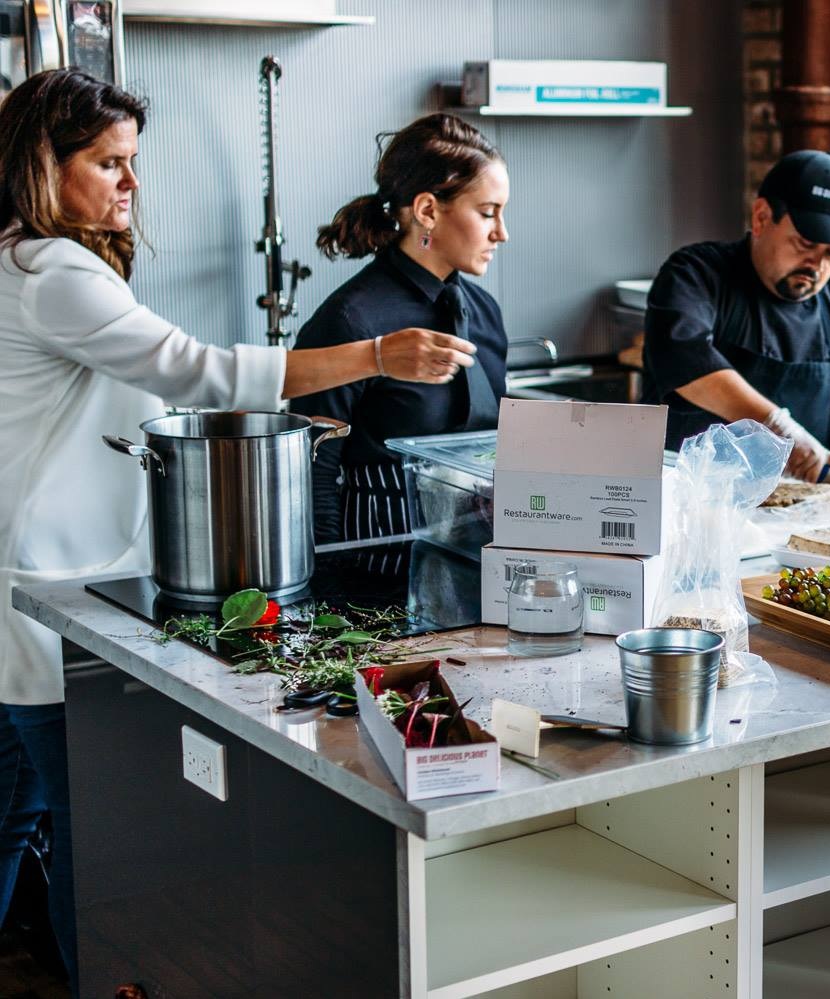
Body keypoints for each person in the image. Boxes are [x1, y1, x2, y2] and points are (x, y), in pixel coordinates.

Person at [0, 70, 475, 989]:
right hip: (41, 589)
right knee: (86, 834)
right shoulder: (50, 271)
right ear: (41, 168)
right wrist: (377, 356)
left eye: (133, 162)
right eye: (109, 163)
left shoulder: (17, 256)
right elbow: (196, 371)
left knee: (17, 814)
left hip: (29, 578)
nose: (130, 184)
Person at [291, 114, 510, 544]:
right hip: (374, 569)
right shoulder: (349, 320)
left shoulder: (484, 312)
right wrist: (333, 587)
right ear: (428, 210)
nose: (501, 233)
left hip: (476, 558)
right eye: (487, 213)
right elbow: (313, 475)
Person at [641, 150, 830, 481]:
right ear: (762, 217)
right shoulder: (696, 274)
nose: (817, 264)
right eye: (804, 243)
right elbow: (683, 355)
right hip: (688, 498)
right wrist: (777, 427)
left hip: (800, 507)